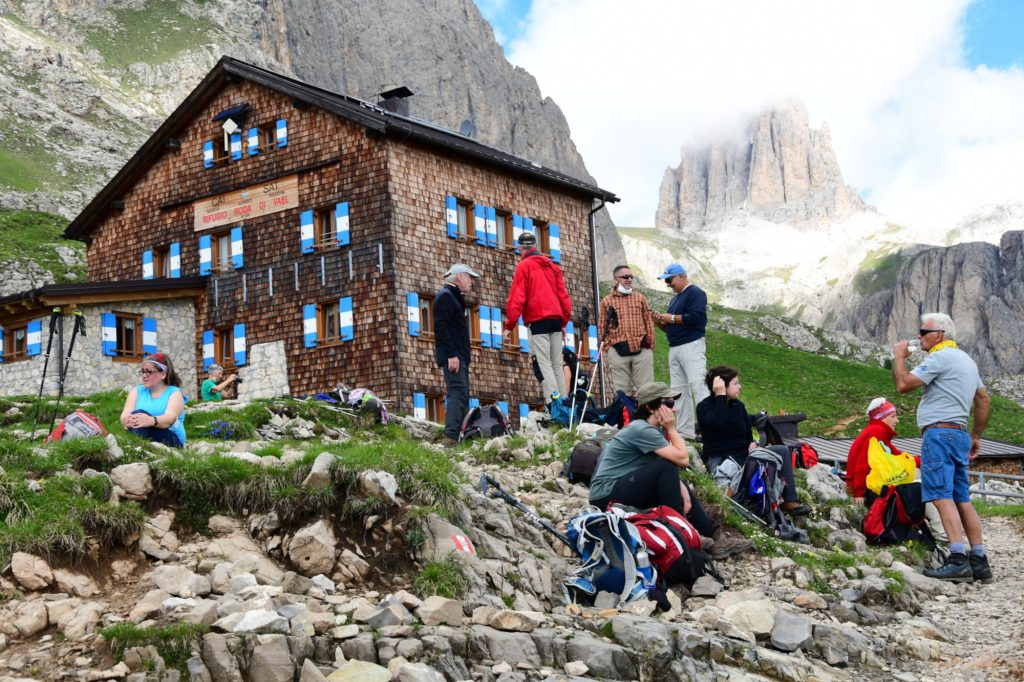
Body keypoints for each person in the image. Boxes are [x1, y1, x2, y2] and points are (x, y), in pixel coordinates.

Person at [589, 381, 753, 559]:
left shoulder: (652, 431)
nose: (673, 409)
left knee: (671, 473)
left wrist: (683, 491)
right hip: (604, 495)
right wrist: (672, 428)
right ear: (652, 407)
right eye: (668, 404)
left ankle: (714, 536)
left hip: (621, 487)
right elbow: (682, 459)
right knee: (666, 467)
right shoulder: (641, 429)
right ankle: (680, 531)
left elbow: (669, 468)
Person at [893, 312, 992, 583]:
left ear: (940, 335)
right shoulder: (967, 361)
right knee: (962, 498)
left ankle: (957, 558)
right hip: (960, 434)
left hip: (938, 433)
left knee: (940, 494)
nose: (919, 336)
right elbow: (983, 400)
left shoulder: (940, 357)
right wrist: (976, 436)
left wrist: (899, 356)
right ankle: (979, 560)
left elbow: (903, 385)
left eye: (923, 331)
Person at [695, 366, 811, 516]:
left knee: (781, 450)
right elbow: (719, 422)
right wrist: (721, 397)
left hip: (744, 455)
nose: (740, 387)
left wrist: (753, 444)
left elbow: (747, 432)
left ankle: (789, 501)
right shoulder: (704, 407)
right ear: (722, 386)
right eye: (735, 383)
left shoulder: (739, 406)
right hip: (722, 459)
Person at [846, 397, 947, 542]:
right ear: (881, 418)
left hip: (874, 481)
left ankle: (940, 531)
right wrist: (859, 492)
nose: (897, 420)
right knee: (925, 486)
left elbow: (897, 455)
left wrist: (924, 463)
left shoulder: (876, 430)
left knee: (923, 479)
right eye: (892, 416)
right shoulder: (877, 431)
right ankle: (942, 534)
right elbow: (863, 463)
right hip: (873, 484)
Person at [503, 232, 572, 407]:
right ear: (535, 246)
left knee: (544, 365)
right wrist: (563, 322)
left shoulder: (524, 266)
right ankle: (564, 403)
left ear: (520, 248)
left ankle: (553, 404)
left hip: (538, 320)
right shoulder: (553, 266)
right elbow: (564, 297)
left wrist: (509, 326)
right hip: (556, 320)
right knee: (557, 364)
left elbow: (517, 297)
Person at [653, 263, 709, 439]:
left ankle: (708, 429)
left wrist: (670, 318)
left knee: (698, 386)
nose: (668, 284)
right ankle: (685, 431)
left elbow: (696, 317)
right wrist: (659, 322)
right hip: (675, 346)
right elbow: (671, 327)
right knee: (678, 389)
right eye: (666, 281)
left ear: (681, 277)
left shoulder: (696, 293)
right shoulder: (675, 299)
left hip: (692, 344)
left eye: (669, 280)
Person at [434, 263, 480, 444]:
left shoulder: (452, 296)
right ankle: (451, 437)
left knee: (462, 394)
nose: (471, 282)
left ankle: (460, 435)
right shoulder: (446, 296)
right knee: (457, 393)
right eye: (470, 277)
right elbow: (441, 327)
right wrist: (452, 354)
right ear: (459, 276)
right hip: (454, 356)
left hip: (459, 355)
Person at [599, 265, 655, 396]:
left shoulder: (640, 298)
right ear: (615, 279)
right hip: (617, 352)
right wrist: (609, 349)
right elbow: (602, 327)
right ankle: (624, 416)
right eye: (625, 277)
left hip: (641, 350)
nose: (629, 279)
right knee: (621, 392)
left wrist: (650, 346)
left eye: (631, 277)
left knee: (647, 390)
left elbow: (648, 322)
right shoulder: (607, 301)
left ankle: (646, 416)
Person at [120, 352, 186, 448]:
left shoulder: (174, 393)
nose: (144, 375)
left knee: (139, 414)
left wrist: (150, 420)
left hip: (172, 437)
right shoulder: (136, 391)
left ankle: (134, 449)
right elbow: (125, 414)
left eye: (149, 372)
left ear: (163, 374)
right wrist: (126, 419)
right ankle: (137, 448)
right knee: (138, 417)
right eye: (143, 372)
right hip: (143, 430)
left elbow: (170, 418)